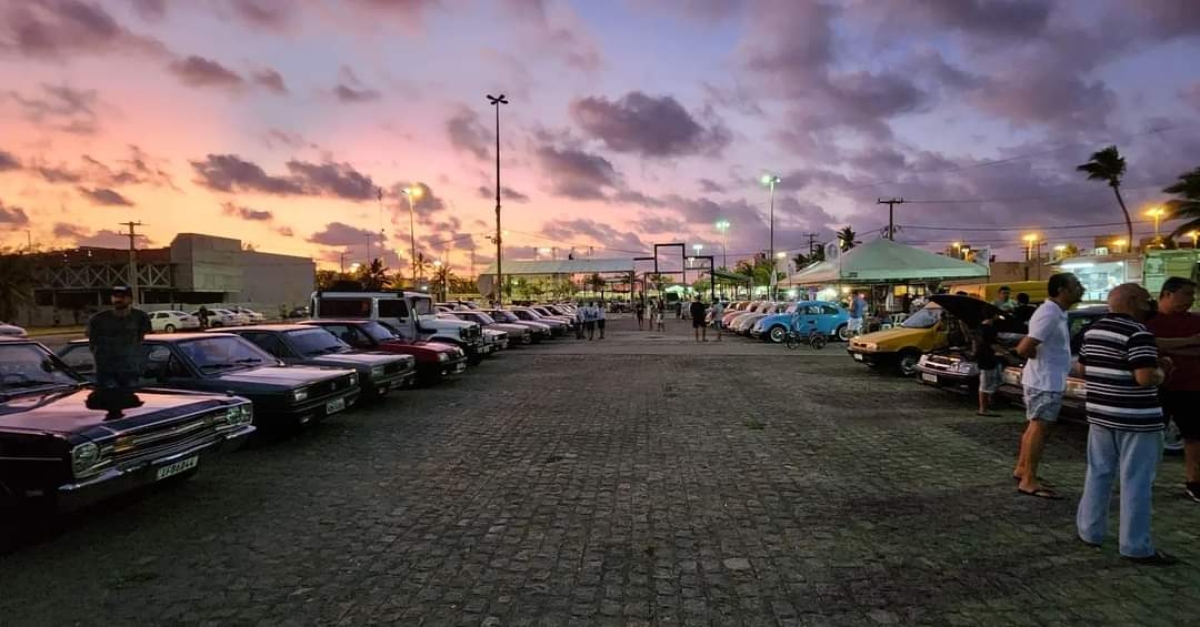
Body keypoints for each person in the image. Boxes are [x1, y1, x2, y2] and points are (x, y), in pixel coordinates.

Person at [1076, 283, 1176, 565]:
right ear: (1133, 302)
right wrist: (1163, 370)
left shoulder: (1092, 331)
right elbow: (1145, 377)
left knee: (1098, 473)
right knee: (1137, 480)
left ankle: (1090, 530)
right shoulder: (1138, 333)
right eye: (1147, 300)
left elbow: (1083, 368)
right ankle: (1135, 545)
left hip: (1100, 414)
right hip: (1136, 418)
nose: (1151, 305)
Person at [1014, 272, 1084, 499]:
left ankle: (1023, 469)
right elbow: (1024, 348)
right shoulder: (1050, 314)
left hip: (1045, 379)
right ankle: (1029, 480)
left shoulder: (1057, 313)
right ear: (1062, 290)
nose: (1080, 288)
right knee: (1039, 428)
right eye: (1075, 285)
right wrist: (1040, 361)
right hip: (1045, 381)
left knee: (1035, 426)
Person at [1146, 277, 1200, 503]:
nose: (1191, 299)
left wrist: (1168, 347)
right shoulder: (1149, 320)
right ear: (1168, 293)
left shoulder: (1195, 319)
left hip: (1191, 386)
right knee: (1150, 436)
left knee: (1194, 435)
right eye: (1186, 294)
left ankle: (1194, 481)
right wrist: (1188, 341)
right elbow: (1147, 344)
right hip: (1157, 387)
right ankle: (1144, 480)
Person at [86, 285, 151, 391]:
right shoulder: (98, 319)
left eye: (122, 296)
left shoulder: (140, 317)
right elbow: (92, 344)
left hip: (130, 372)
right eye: (115, 296)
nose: (118, 299)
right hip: (106, 373)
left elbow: (143, 342)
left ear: (130, 299)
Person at [975, 311, 1003, 416]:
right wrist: (1006, 353)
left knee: (987, 381)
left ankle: (987, 405)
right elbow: (992, 344)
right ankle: (983, 409)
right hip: (988, 357)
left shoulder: (980, 327)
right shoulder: (989, 329)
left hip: (983, 356)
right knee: (985, 383)